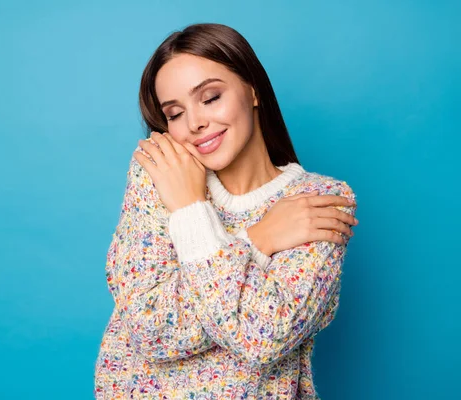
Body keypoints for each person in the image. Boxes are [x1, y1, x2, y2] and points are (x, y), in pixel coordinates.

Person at [94, 22, 359, 400]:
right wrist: (255, 236)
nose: (195, 123)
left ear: (252, 89)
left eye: (210, 97)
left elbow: (262, 336)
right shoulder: (160, 173)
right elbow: (149, 328)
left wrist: (192, 217)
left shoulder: (320, 199)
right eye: (174, 113)